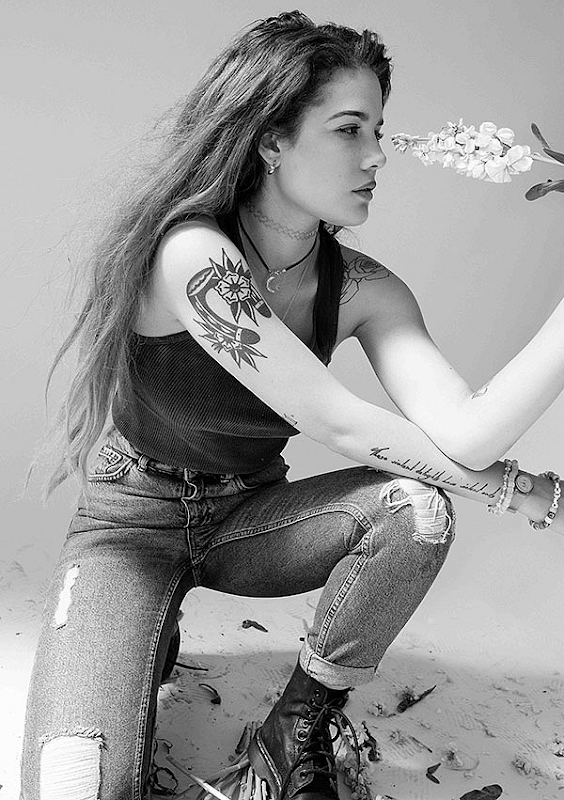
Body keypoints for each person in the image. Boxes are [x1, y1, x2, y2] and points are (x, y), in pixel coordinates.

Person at [20, 10, 564, 800]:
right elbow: (336, 420)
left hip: (251, 519)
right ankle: (138, 629)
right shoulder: (193, 254)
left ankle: (295, 728)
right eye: (349, 129)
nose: (377, 156)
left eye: (379, 130)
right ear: (272, 140)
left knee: (416, 513)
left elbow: (468, 432)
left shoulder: (367, 291)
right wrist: (517, 489)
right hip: (130, 524)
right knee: (73, 785)